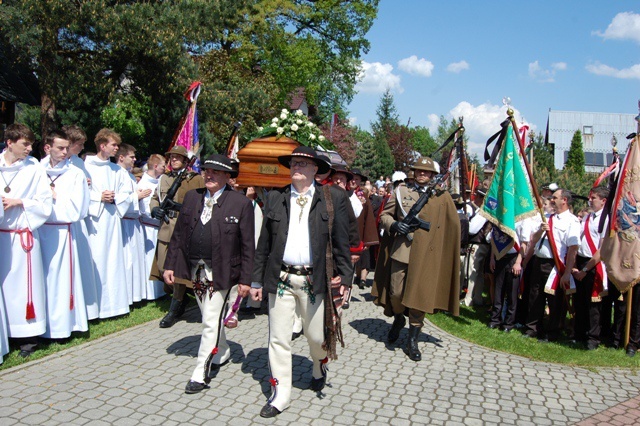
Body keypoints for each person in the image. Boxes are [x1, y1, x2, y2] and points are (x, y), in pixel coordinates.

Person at [251, 146, 352, 418]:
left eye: (303, 164)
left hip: (315, 280)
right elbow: (264, 244)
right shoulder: (276, 198)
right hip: (281, 278)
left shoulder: (332, 199)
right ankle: (281, 393)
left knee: (316, 336)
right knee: (278, 339)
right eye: (294, 163)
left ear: (315, 170)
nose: (296, 167)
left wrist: (347, 278)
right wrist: (256, 281)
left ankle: (319, 364)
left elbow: (342, 241)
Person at [162, 154, 254, 393]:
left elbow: (247, 246)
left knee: (210, 321)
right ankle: (221, 350)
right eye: (206, 170)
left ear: (227, 176)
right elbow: (179, 235)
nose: (209, 175)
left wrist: (246, 279)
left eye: (215, 171)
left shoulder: (240, 203)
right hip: (196, 272)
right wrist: (170, 265)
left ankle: (200, 372)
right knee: (209, 319)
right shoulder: (193, 197)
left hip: (224, 272)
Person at [372, 156, 460, 361]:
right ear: (414, 172)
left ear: (432, 175)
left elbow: (451, 224)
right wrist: (394, 225)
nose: (423, 174)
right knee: (396, 292)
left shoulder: (441, 196)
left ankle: (412, 339)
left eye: (427, 172)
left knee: (419, 297)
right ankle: (398, 318)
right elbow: (385, 215)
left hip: (427, 255)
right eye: (420, 170)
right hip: (403, 249)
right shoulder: (401, 191)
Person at [0, 123, 53, 356]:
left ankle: (28, 338)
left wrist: (20, 202)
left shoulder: (34, 169)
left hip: (23, 237)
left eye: (31, 143)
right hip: (2, 236)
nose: (31, 148)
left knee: (24, 289)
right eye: (25, 143)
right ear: (9, 143)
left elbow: (45, 204)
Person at [39, 130, 90, 339]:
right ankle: (39, 326)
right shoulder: (36, 170)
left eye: (67, 148)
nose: (65, 152)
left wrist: (53, 198)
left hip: (62, 232)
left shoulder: (75, 173)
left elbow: (79, 209)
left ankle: (61, 328)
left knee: (60, 282)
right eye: (60, 148)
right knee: (41, 280)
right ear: (47, 148)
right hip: (38, 230)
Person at [150, 145, 205, 328]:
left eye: (177, 157)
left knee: (177, 271)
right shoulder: (164, 178)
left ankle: (175, 307)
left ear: (184, 160)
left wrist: (180, 208)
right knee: (162, 267)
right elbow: (155, 198)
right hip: (166, 227)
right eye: (171, 157)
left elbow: (201, 202)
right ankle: (181, 298)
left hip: (183, 229)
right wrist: (155, 209)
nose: (173, 159)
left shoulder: (195, 179)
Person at [84, 128, 133, 319]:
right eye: (114, 145)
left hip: (112, 221)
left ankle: (114, 307)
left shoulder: (116, 170)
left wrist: (115, 198)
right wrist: (98, 197)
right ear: (102, 146)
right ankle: (94, 307)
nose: (116, 148)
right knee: (96, 259)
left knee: (113, 260)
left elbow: (127, 194)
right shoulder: (85, 166)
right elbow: (79, 193)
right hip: (94, 222)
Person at [524, 188, 580, 341]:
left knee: (554, 300)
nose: (552, 200)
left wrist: (567, 272)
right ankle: (532, 328)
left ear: (565, 200)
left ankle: (552, 331)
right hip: (538, 260)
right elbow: (533, 240)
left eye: (555, 197)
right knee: (535, 296)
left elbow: (573, 248)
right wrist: (541, 231)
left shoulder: (571, 221)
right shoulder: (547, 217)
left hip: (555, 265)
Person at [62, 124, 99, 320]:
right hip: (59, 222)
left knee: (81, 264)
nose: (83, 148)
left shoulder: (78, 163)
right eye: (80, 144)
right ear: (70, 143)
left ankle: (84, 308)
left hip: (78, 221)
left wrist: (87, 185)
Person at [572, 186, 609, 350]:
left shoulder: (606, 219)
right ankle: (579, 333)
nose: (590, 200)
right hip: (581, 261)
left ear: (603, 201)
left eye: (593, 198)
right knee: (579, 301)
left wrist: (585, 270)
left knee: (594, 304)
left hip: (594, 265)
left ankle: (593, 338)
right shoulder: (587, 218)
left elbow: (601, 249)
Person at [117, 144, 151, 304]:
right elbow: (119, 200)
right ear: (121, 157)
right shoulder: (117, 174)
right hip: (125, 224)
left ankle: (137, 295)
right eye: (132, 156)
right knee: (128, 260)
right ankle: (128, 296)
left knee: (136, 260)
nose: (135, 159)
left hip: (134, 222)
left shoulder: (129, 175)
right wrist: (136, 197)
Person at [138, 154, 166, 300]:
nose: (165, 168)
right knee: (149, 261)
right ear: (155, 166)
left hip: (158, 227)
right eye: (162, 166)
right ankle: (151, 293)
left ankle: (160, 290)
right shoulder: (144, 184)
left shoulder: (158, 182)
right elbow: (144, 209)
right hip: (149, 228)